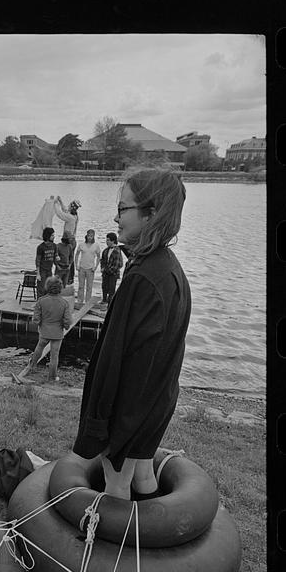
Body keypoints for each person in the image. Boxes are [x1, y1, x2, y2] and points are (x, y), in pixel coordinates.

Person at [69, 168, 191, 500]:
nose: (116, 216)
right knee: (142, 475)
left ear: (151, 213)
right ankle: (154, 544)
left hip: (127, 414)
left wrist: (100, 425)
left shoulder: (141, 280)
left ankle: (117, 550)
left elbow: (114, 358)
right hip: (155, 404)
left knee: (117, 486)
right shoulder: (168, 268)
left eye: (124, 208)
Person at [16, 276, 71, 383]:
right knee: (54, 355)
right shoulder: (64, 303)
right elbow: (67, 321)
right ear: (60, 288)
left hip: (44, 331)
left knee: (39, 348)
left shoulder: (41, 301)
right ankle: (52, 377)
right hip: (57, 333)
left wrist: (40, 323)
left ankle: (32, 366)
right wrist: (66, 327)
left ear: (47, 287)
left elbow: (36, 319)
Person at [54, 196, 81, 282]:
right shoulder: (75, 215)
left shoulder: (70, 217)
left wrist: (55, 204)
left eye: (70, 205)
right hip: (72, 240)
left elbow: (60, 214)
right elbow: (66, 210)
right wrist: (60, 201)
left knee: (67, 260)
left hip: (69, 241)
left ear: (72, 206)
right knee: (70, 259)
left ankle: (67, 278)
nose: (68, 206)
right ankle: (70, 278)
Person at [74, 229, 102, 307]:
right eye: (89, 236)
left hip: (90, 269)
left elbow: (99, 257)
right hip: (82, 268)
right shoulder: (81, 245)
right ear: (87, 235)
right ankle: (80, 301)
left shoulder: (96, 245)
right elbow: (77, 254)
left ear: (93, 236)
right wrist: (77, 265)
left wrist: (95, 267)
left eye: (91, 236)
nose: (90, 237)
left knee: (89, 287)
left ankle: (87, 302)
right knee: (81, 286)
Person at [99, 231, 125, 305]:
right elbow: (102, 260)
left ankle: (110, 303)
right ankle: (104, 301)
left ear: (113, 241)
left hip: (113, 273)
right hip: (105, 273)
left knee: (111, 289)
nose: (106, 242)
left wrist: (108, 270)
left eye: (108, 240)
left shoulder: (117, 250)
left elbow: (118, 264)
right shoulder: (105, 250)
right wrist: (102, 268)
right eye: (106, 240)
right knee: (104, 286)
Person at [35, 226, 60, 297]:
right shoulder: (41, 247)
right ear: (47, 236)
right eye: (52, 235)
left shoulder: (54, 246)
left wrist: (57, 259)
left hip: (49, 270)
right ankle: (39, 303)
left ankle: (46, 303)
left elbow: (55, 257)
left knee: (48, 288)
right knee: (41, 288)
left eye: (53, 235)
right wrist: (38, 274)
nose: (54, 237)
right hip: (42, 271)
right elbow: (37, 261)